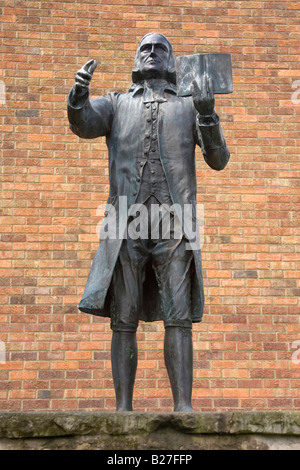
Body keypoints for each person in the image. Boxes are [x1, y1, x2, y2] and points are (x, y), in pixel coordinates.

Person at [68, 33, 230, 412]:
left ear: (172, 62)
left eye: (161, 49)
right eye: (145, 48)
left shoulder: (190, 106)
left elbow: (218, 159)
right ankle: (123, 409)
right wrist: (78, 95)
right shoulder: (116, 103)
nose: (153, 53)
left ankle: (183, 406)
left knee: (179, 314)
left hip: (174, 223)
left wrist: (207, 114)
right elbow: (85, 124)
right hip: (127, 222)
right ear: (137, 60)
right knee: (124, 315)